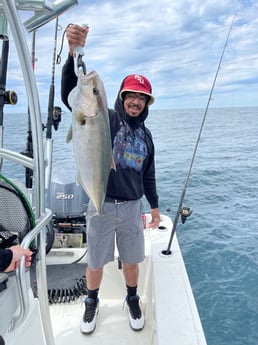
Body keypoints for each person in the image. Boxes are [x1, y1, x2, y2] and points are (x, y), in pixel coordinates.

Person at [61, 24, 161, 335]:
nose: (136, 102)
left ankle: (132, 298)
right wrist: (73, 54)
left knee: (131, 261)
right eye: (131, 95)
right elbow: (71, 94)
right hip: (100, 200)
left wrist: (154, 206)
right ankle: (91, 302)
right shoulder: (106, 118)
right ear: (121, 96)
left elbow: (149, 173)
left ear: (146, 104)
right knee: (96, 261)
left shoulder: (146, 136)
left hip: (132, 207)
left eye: (141, 98)